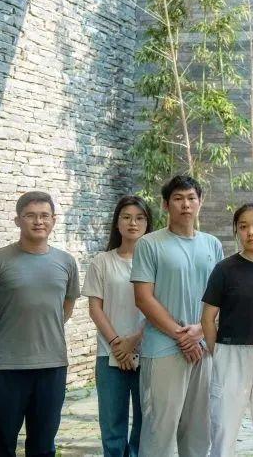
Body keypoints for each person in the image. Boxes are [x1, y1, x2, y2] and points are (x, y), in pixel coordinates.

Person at [0, 191, 80, 457]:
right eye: (30, 215)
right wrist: (1, 342)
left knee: (44, 443)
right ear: (17, 220)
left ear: (53, 220)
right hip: (8, 366)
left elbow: (66, 307)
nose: (38, 221)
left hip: (52, 364)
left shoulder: (66, 262)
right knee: (2, 442)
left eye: (44, 216)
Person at [131, 175, 224, 456]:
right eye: (178, 198)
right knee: (160, 429)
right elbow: (143, 298)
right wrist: (182, 336)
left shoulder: (212, 244)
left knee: (198, 430)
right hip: (163, 349)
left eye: (191, 198)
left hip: (203, 347)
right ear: (165, 204)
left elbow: (222, 297)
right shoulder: (149, 244)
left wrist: (200, 331)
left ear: (200, 202)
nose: (186, 204)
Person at [201, 202, 253, 456]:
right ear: (236, 230)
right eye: (244, 226)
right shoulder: (224, 269)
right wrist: (218, 353)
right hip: (230, 353)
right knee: (224, 427)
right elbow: (207, 318)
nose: (251, 232)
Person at [86, 195, 153, 457]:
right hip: (109, 353)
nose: (133, 223)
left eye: (139, 218)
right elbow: (95, 308)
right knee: (112, 424)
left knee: (146, 422)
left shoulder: (157, 261)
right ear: (117, 223)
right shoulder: (102, 261)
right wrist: (117, 344)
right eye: (126, 217)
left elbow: (161, 307)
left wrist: (134, 341)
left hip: (149, 350)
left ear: (147, 223)